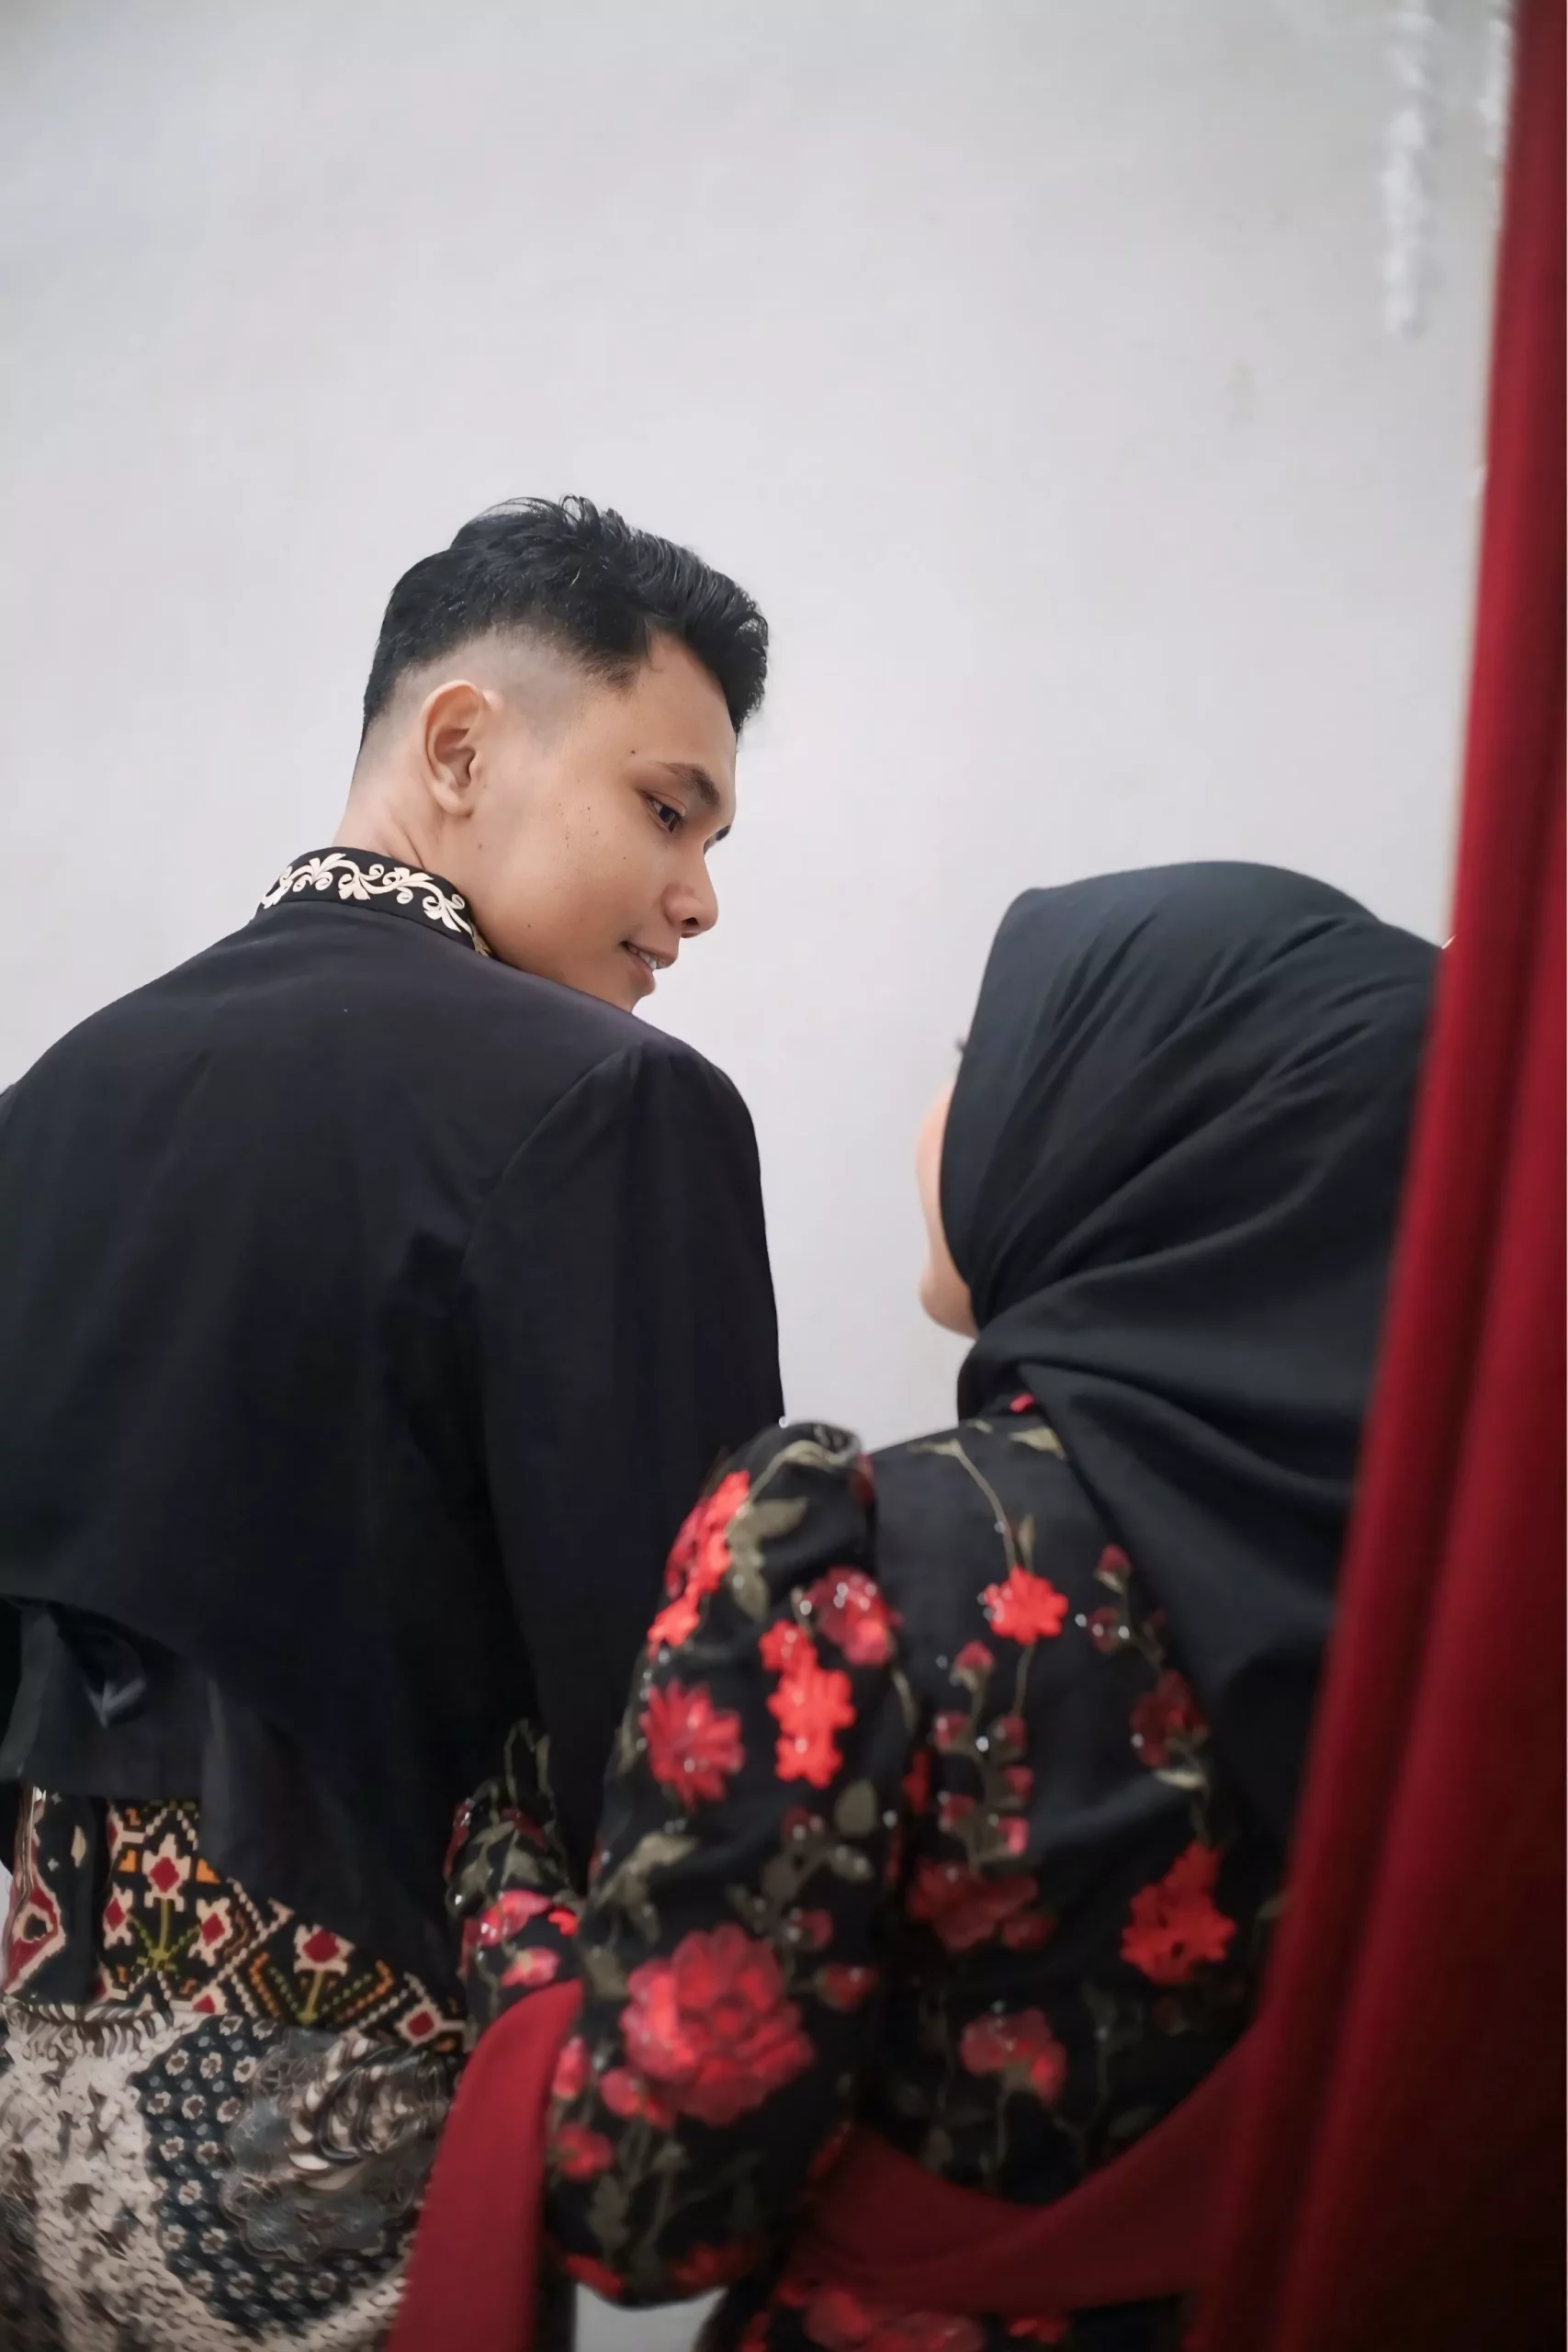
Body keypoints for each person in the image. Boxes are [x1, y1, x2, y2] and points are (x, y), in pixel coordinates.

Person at [415, 864, 1437, 2352]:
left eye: (982, 1056)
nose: (937, 1115)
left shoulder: (857, 1566)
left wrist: (506, 1894)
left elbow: (644, 2204)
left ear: (1137, 1127)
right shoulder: (1467, 1611)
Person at [0, 496, 783, 2347]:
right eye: (666, 809)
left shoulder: (56, 1096)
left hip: (23, 2108)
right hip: (345, 2124)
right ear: (456, 744)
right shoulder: (611, 1105)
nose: (698, 896)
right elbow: (671, 1718)